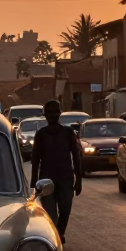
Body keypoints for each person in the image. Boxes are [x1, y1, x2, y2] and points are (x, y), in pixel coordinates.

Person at [30, 100, 82, 242]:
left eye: (56, 111)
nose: (53, 115)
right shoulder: (41, 135)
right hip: (47, 180)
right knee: (51, 216)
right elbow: (35, 159)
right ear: (45, 115)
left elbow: (76, 156)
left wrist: (79, 180)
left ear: (60, 113)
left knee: (65, 210)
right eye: (50, 112)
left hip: (66, 178)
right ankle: (56, 239)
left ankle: (59, 234)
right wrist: (34, 182)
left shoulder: (68, 132)